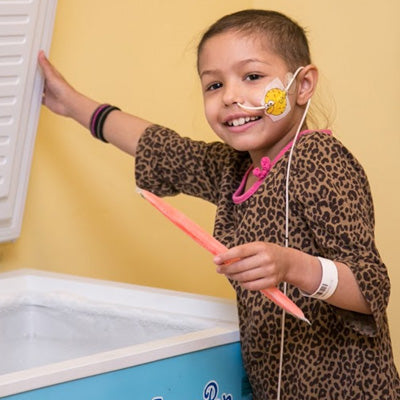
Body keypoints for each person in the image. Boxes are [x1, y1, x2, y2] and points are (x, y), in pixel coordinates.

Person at [38, 9, 400, 400]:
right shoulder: (234, 169)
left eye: (253, 77)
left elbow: (370, 289)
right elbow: (161, 149)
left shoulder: (320, 158)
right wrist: (71, 104)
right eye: (213, 85)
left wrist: (291, 265)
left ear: (303, 85)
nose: (230, 96)